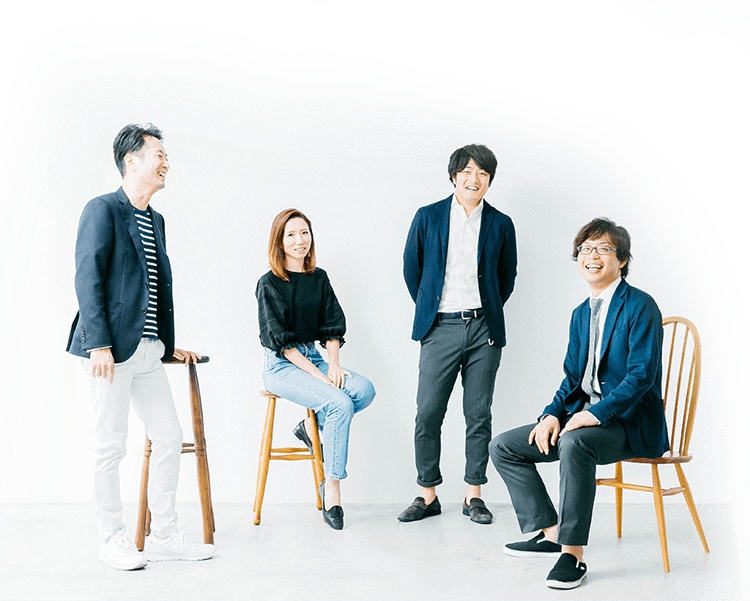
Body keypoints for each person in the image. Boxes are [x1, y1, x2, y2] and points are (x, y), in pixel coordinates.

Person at [489, 217, 669, 589]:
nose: (592, 256)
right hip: (583, 419)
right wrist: (551, 415)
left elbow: (641, 376)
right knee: (504, 446)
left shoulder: (641, 306)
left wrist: (594, 414)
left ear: (622, 259)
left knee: (574, 443)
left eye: (603, 249)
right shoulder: (580, 313)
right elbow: (572, 379)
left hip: (629, 423)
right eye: (585, 249)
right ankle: (551, 533)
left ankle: (572, 554)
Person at [67, 124, 215, 570]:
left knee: (168, 436)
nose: (166, 162)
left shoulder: (156, 220)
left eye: (166, 156)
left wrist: (166, 343)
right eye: (159, 155)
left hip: (149, 350)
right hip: (109, 353)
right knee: (110, 445)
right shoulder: (102, 209)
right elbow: (88, 279)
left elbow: (152, 288)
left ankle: (164, 533)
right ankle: (111, 539)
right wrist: (99, 344)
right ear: (131, 160)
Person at [399, 144, 517, 525]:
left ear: (489, 180)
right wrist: (432, 308)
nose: (474, 179)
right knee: (428, 412)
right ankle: (427, 493)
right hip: (439, 327)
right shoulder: (428, 216)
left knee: (478, 414)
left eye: (482, 173)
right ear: (453, 176)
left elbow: (506, 277)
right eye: (466, 171)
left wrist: (486, 309)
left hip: (484, 329)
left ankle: (473, 495)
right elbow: (412, 269)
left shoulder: (501, 224)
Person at [255, 208, 376, 530]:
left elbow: (332, 323)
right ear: (279, 242)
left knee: (363, 390)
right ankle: (332, 489)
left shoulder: (319, 278)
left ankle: (310, 429)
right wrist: (318, 376)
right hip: (281, 365)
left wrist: (332, 365)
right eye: (291, 235)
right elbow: (281, 343)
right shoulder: (268, 283)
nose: (300, 241)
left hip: (315, 356)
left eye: (304, 233)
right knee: (339, 403)